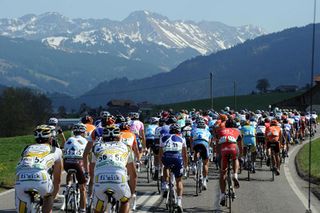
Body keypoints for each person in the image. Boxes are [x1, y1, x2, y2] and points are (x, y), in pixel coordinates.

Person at [15, 125, 62, 213]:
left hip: (20, 177)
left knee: (22, 203)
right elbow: (57, 179)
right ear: (51, 139)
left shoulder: (27, 148)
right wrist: (53, 196)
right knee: (48, 197)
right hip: (41, 177)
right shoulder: (56, 150)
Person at [91, 125, 137, 213]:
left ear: (103, 137)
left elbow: (92, 170)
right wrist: (131, 193)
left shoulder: (96, 147)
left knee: (98, 208)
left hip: (100, 180)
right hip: (119, 179)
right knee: (125, 201)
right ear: (119, 137)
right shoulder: (126, 147)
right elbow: (133, 175)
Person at [159, 124, 187, 212]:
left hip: (167, 156)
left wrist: (161, 163)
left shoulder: (163, 137)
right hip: (177, 158)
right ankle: (179, 201)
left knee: (165, 167)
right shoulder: (182, 138)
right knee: (179, 180)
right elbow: (184, 154)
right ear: (179, 131)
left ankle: (166, 184)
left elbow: (160, 153)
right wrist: (185, 165)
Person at [64, 123, 89, 213]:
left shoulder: (69, 139)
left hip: (66, 163)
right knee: (83, 188)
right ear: (83, 132)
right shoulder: (85, 141)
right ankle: (82, 209)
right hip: (78, 164)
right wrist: (87, 172)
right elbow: (86, 156)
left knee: (69, 172)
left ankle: (68, 187)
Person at [217, 119, 241, 206]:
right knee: (235, 158)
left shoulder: (221, 130)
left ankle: (223, 195)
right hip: (233, 148)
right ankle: (235, 174)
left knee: (222, 173)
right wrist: (240, 155)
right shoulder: (237, 130)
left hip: (224, 150)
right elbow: (240, 143)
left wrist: (218, 155)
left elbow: (217, 144)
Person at [191, 120, 212, 190]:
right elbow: (209, 142)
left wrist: (192, 149)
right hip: (204, 144)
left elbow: (191, 140)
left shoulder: (194, 130)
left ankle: (194, 165)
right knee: (205, 163)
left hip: (196, 144)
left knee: (195, 151)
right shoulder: (207, 132)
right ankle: (204, 181)